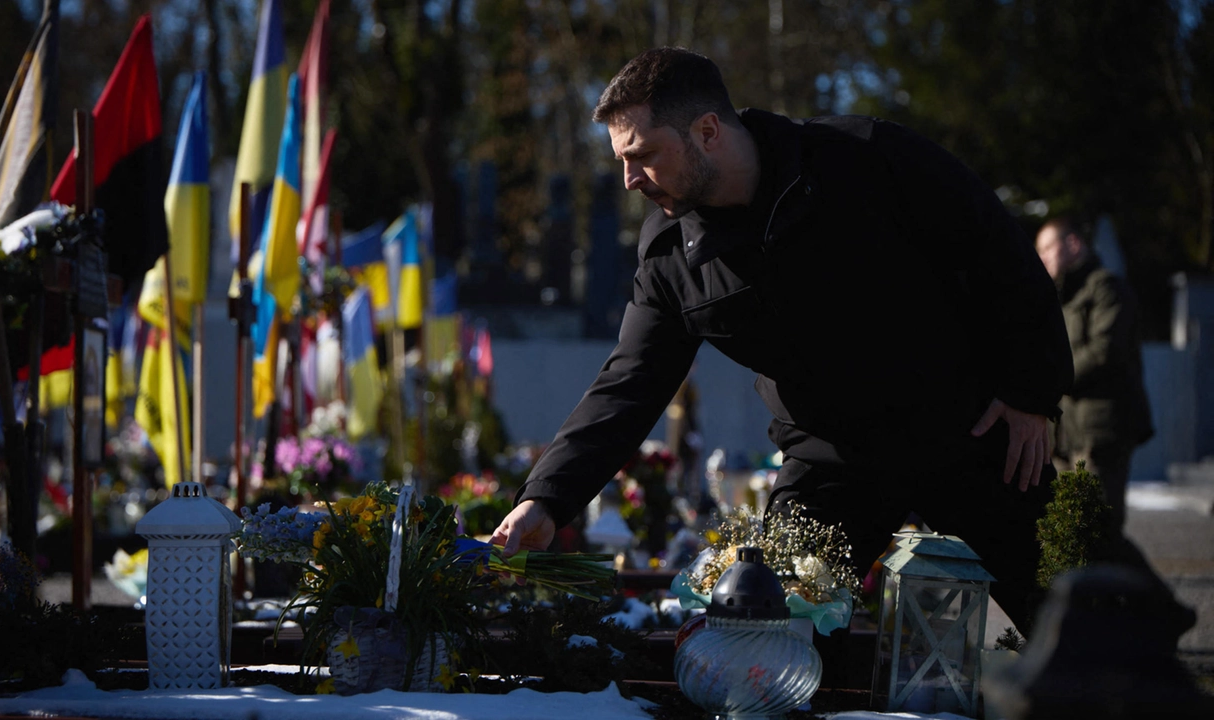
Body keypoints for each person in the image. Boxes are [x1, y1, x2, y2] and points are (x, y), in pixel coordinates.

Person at [490, 47, 1077, 630]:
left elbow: (997, 252)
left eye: (642, 155)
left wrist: (1029, 389)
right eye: (622, 159)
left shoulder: (866, 158)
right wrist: (546, 497)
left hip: (967, 429)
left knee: (1074, 620)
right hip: (833, 464)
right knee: (766, 630)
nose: (629, 179)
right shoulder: (672, 261)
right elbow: (627, 384)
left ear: (708, 130)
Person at [1035, 217, 1153, 533]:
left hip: (1100, 434)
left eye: (1048, 247)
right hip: (1067, 436)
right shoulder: (1060, 299)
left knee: (1099, 531)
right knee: (1068, 534)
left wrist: (1052, 377)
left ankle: (1134, 585)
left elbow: (1104, 352)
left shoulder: (1107, 289)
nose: (1042, 257)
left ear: (1073, 244)